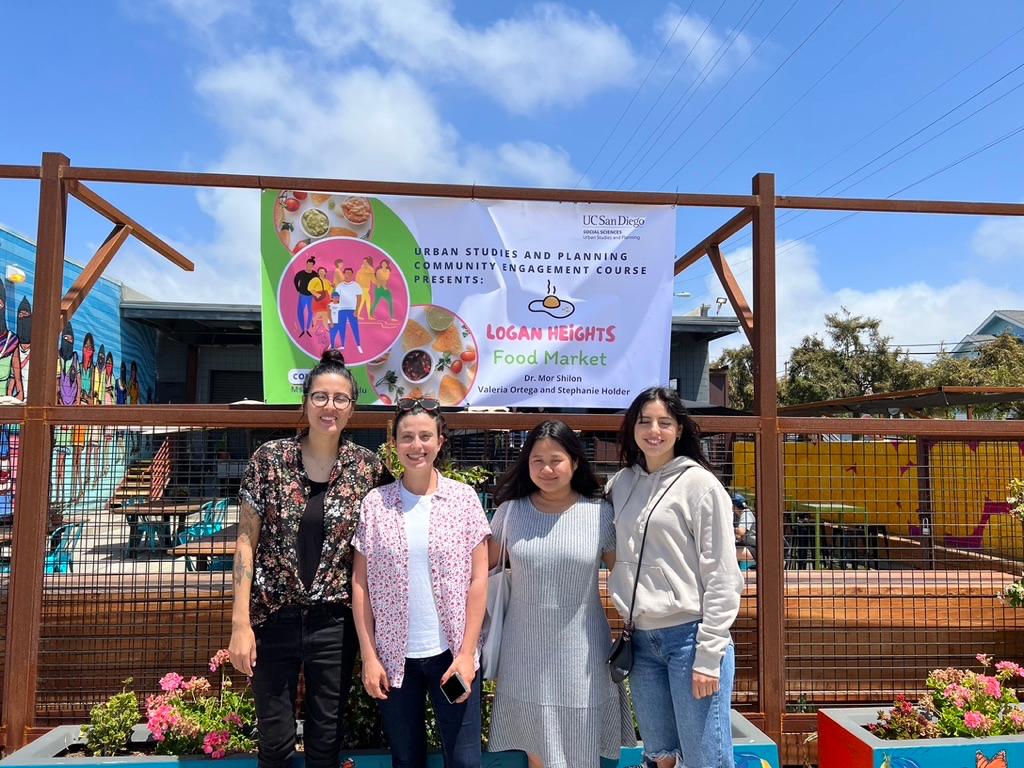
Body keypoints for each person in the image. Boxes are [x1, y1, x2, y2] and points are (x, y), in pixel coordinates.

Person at [228, 349, 390, 768]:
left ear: (352, 409)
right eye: (320, 397)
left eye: (340, 399)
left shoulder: (368, 469)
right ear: (305, 402)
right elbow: (246, 542)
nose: (329, 407)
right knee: (275, 741)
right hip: (274, 616)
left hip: (334, 623)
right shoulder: (269, 460)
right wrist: (240, 623)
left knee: (327, 740)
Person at [607, 387, 744, 768]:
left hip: (691, 639)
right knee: (659, 755)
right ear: (632, 428)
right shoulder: (621, 484)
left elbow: (722, 574)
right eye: (645, 421)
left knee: (706, 759)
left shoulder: (700, 485)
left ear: (680, 429)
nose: (654, 430)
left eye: (664, 422)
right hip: (641, 642)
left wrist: (709, 653)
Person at [487, 420, 634, 768]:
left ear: (575, 462)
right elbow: (481, 571)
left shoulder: (600, 514)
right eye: (537, 460)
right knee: (536, 742)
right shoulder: (511, 512)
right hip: (523, 649)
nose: (547, 469)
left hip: (583, 652)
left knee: (583, 741)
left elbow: (623, 579)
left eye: (556, 459)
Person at [352, 397, 489, 768]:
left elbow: (479, 580)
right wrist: (369, 656)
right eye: (407, 437)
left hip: (451, 655)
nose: (417, 446)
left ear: (440, 441)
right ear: (393, 444)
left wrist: (466, 654)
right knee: (406, 759)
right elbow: (360, 584)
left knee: (464, 762)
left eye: (425, 436)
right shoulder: (375, 504)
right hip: (396, 662)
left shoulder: (463, 499)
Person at [732, 494, 756, 571]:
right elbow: (740, 537)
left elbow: (741, 531)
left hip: (754, 549)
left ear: (734, 506)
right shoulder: (741, 515)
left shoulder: (746, 514)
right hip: (747, 545)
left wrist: (728, 528)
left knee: (727, 554)